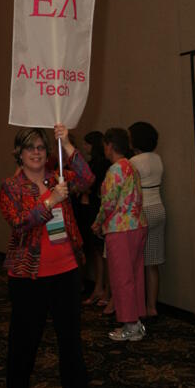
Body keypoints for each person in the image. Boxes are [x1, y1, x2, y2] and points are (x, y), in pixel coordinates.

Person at [0, 124, 94, 388]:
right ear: (19, 153)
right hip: (28, 275)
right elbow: (19, 222)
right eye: (30, 148)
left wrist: (66, 143)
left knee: (70, 342)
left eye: (41, 147)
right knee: (26, 337)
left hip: (66, 271)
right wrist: (50, 201)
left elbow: (88, 178)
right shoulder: (11, 186)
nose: (37, 153)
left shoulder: (60, 176)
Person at [92, 128, 147, 341]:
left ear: (109, 146)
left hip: (120, 229)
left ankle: (129, 324)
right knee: (134, 274)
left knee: (121, 277)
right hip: (137, 225)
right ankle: (136, 321)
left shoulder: (115, 170)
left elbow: (108, 204)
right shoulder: (131, 166)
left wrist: (97, 224)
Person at [129, 122, 166, 317]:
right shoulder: (157, 159)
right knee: (153, 262)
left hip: (141, 210)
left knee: (135, 262)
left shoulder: (134, 161)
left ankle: (137, 307)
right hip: (158, 208)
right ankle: (152, 307)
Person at [77, 131, 111, 309]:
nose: (85, 147)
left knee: (101, 252)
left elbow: (89, 185)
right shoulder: (93, 164)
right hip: (89, 208)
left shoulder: (101, 165)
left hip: (97, 209)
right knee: (96, 251)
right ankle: (99, 287)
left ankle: (103, 288)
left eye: (87, 144)